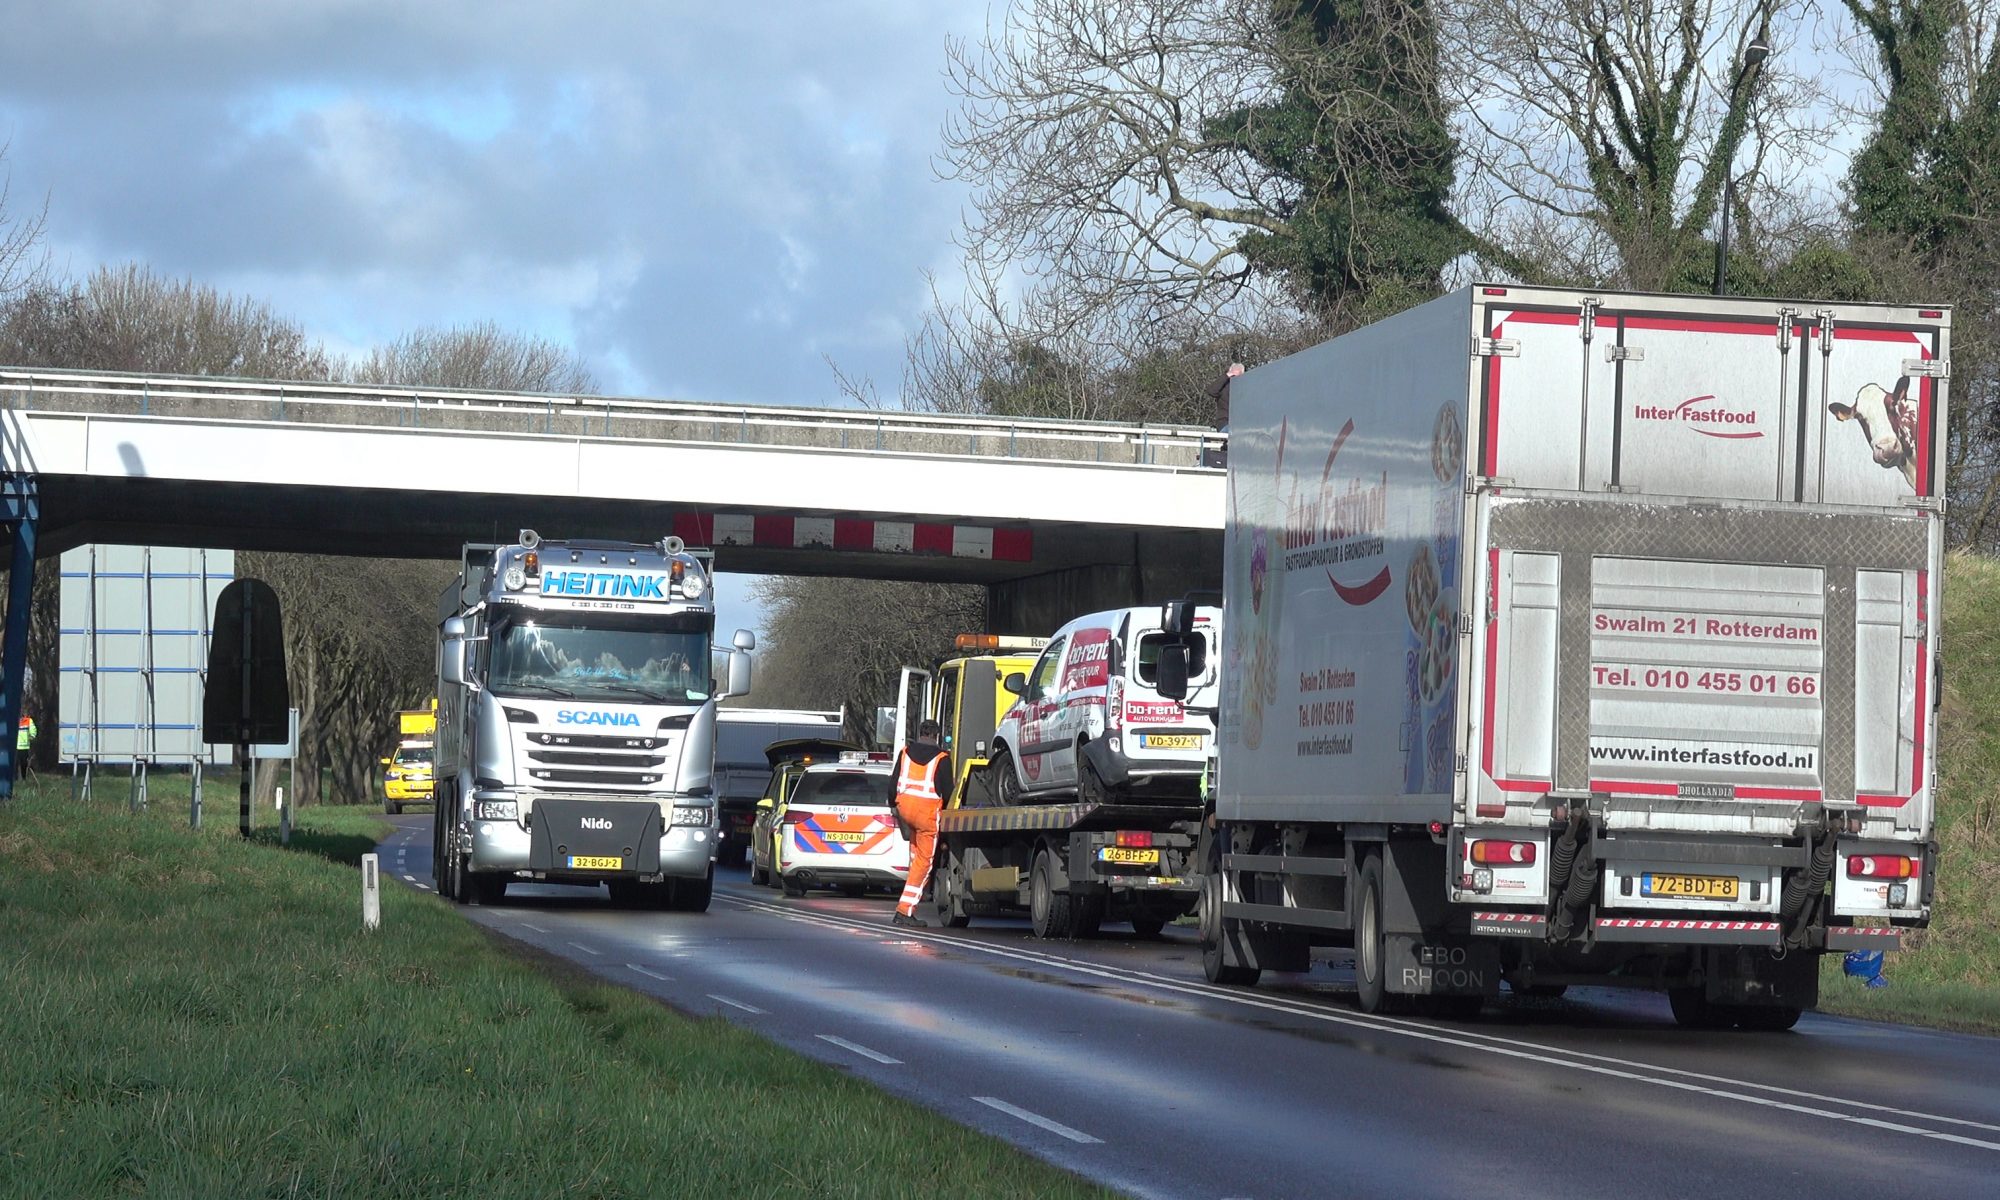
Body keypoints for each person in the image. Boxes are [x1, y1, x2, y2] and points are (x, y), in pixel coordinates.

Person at [890, 719, 952, 928]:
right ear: (937, 735)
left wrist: (894, 806)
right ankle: (904, 910)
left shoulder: (905, 753)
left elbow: (893, 784)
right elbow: (948, 791)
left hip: (905, 809)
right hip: (926, 816)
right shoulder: (942, 758)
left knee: (916, 858)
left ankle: (910, 898)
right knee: (924, 864)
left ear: (920, 733)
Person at [15, 713, 35, 782]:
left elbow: (33, 731)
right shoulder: (13, 721)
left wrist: (30, 737)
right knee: (15, 764)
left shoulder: (28, 720)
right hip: (16, 747)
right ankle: (16, 779)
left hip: (24, 747)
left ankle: (24, 779)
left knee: (24, 764)